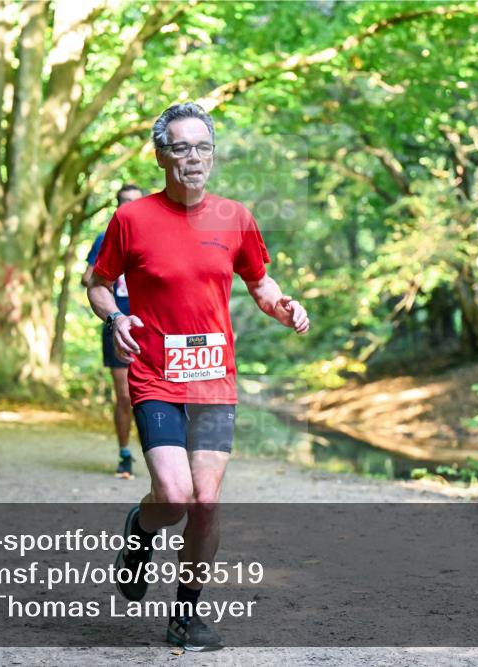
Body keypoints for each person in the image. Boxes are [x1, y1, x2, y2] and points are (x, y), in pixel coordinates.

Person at [87, 103, 310, 651]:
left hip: (213, 379)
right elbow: (96, 283)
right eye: (182, 148)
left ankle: (186, 614)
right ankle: (141, 527)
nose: (194, 158)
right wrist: (115, 316)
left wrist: (283, 305)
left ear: (213, 154)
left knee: (206, 502)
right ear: (162, 155)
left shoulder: (235, 217)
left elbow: (260, 284)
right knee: (174, 493)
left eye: (203, 147)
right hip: (155, 374)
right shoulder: (131, 219)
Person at [81, 184, 145, 479]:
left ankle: (162, 450)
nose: (129, 206)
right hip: (118, 324)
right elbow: (88, 278)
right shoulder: (105, 238)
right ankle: (125, 453)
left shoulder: (154, 235)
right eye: (124, 202)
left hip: (153, 325)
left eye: (135, 201)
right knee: (125, 395)